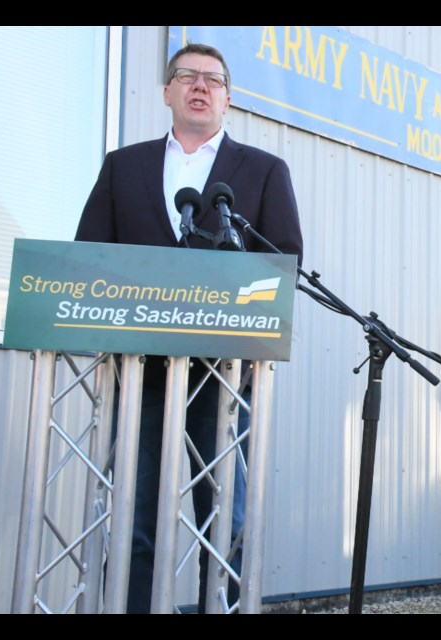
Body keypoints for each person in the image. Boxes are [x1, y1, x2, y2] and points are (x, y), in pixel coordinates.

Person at [75, 43, 303, 613]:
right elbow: (88, 257)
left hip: (223, 377)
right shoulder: (122, 166)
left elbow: (283, 262)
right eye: (187, 77)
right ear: (167, 92)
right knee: (134, 518)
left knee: (224, 521)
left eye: (213, 80)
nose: (200, 87)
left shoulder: (264, 171)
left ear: (228, 99)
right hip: (140, 373)